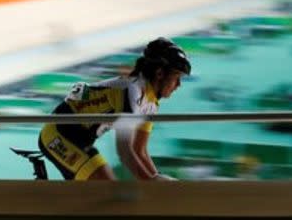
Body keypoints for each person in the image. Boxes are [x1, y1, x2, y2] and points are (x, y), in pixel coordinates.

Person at [38, 37, 191, 181]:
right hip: (59, 133)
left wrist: (156, 178)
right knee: (108, 191)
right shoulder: (132, 92)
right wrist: (152, 182)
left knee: (107, 194)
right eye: (177, 77)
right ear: (159, 73)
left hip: (80, 139)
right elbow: (125, 151)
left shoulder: (151, 104)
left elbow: (139, 150)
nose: (178, 85)